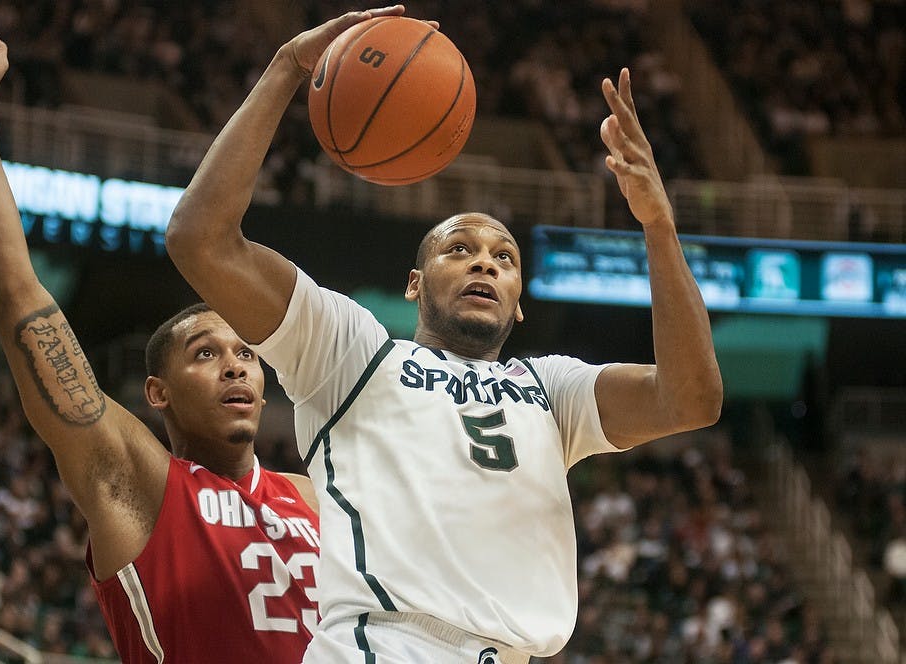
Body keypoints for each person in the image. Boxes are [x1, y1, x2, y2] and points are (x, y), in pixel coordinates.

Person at [166, 5, 723, 663]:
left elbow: (691, 400)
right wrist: (287, 67)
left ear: (519, 306)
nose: (485, 260)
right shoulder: (352, 354)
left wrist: (658, 226)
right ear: (414, 282)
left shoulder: (551, 390)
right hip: (386, 646)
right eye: (459, 248)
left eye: (505, 257)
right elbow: (200, 240)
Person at [0, 20, 320, 663]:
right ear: (156, 393)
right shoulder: (136, 481)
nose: (235, 367)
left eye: (245, 352)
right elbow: (17, 295)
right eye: (206, 353)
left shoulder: (313, 496)